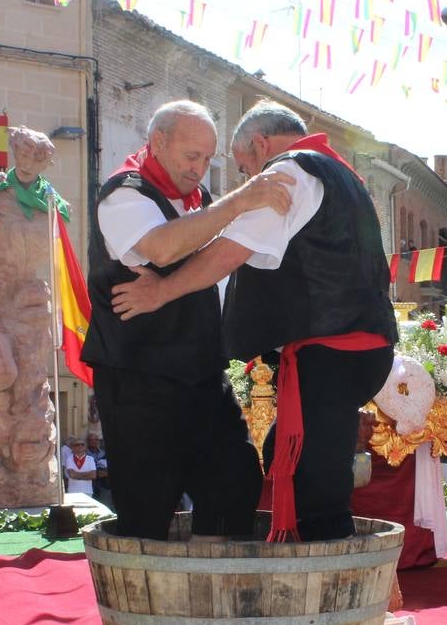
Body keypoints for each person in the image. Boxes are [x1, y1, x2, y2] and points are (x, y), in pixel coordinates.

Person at [111, 100, 397, 542]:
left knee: (315, 487)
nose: (247, 180)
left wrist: (161, 291)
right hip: (363, 345)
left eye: (243, 167)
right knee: (292, 454)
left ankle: (330, 594)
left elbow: (229, 252)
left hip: (328, 351)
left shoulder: (285, 173)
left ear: (261, 144)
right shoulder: (339, 171)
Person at [80, 100, 294, 541]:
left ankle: (211, 577)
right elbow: (163, 248)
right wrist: (240, 201)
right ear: (158, 143)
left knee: (236, 480)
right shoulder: (124, 193)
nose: (200, 169)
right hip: (139, 379)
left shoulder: (204, 203)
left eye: (208, 159)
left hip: (201, 375)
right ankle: (147, 603)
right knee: (148, 504)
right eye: (191, 156)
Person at [86, 432, 111, 507]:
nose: (94, 441)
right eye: (91, 440)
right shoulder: (84, 452)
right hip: (90, 482)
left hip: (103, 484)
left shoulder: (103, 453)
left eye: (96, 440)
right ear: (88, 441)